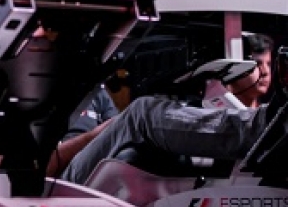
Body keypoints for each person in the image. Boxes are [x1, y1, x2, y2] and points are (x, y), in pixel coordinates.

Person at [60, 36, 286, 185]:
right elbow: (47, 164)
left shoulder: (96, 93)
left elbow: (114, 144)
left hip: (95, 169)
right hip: (60, 183)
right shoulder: (44, 95)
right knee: (141, 112)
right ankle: (263, 129)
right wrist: (102, 131)